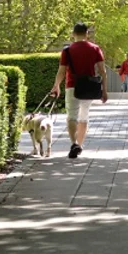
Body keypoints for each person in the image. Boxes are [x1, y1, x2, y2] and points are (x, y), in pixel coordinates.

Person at [51, 23, 108, 158]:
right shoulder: (95, 48)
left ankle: (74, 144)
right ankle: (80, 145)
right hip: (89, 87)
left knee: (72, 117)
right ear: (87, 34)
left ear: (73, 34)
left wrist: (56, 86)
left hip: (72, 86)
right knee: (83, 117)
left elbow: (61, 71)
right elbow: (103, 71)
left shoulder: (67, 51)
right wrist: (104, 90)